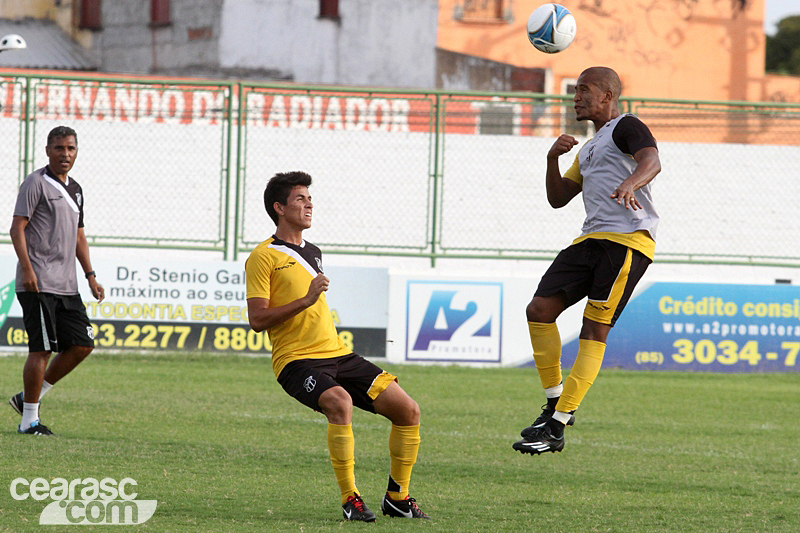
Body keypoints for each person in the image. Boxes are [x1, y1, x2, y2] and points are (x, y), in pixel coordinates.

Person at [245, 171, 429, 522]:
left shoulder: (312, 251)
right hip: (296, 362)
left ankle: (398, 497)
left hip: (338, 354)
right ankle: (351, 499)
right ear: (279, 207)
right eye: (300, 198)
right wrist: (306, 298)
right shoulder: (262, 257)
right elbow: (257, 319)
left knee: (408, 410)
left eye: (310, 198)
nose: (309, 203)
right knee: (340, 403)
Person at [513, 66, 661, 455]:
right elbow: (559, 197)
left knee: (593, 331)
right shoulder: (590, 147)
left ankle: (558, 425)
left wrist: (631, 183)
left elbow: (652, 161)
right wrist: (551, 160)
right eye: (575, 90)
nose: (576, 97)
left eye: (584, 90)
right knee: (539, 309)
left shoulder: (629, 126)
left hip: (626, 243)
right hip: (590, 240)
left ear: (608, 96)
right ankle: (553, 402)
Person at [8, 125, 105, 436]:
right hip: (38, 282)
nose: (65, 154)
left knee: (82, 344)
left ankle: (28, 399)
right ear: (48, 150)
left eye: (71, 149)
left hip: (67, 284)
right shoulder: (35, 183)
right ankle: (29, 422)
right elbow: (16, 228)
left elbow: (79, 236)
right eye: (60, 148)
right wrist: (27, 269)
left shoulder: (75, 189)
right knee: (41, 349)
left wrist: (90, 275)